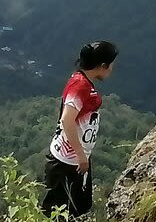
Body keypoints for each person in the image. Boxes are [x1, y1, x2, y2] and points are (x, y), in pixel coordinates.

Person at [42, 40, 118, 217]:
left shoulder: (81, 81)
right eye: (111, 65)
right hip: (67, 161)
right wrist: (80, 155)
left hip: (75, 159)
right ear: (102, 65)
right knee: (59, 212)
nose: (112, 69)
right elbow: (67, 120)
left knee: (79, 207)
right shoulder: (80, 86)